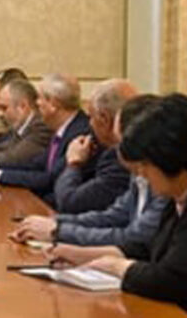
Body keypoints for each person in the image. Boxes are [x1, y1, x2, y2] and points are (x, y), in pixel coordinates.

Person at [47, 94, 187, 310]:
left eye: (145, 166)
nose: (141, 174)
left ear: (170, 158)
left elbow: (172, 279)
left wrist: (119, 267)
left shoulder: (170, 192)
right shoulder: (174, 197)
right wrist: (84, 255)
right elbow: (146, 247)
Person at [10, 95, 167, 247]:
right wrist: (55, 222)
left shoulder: (161, 179)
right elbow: (114, 215)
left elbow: (133, 238)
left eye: (120, 144)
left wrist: (58, 231)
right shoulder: (138, 171)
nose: (118, 152)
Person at [0, 73, 91, 207]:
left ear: (53, 104)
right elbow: (35, 164)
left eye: (39, 98)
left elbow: (50, 179)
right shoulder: (64, 127)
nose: (36, 103)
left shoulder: (80, 133)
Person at [49, 79, 136, 213]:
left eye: (91, 117)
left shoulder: (120, 158)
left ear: (104, 119)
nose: (89, 124)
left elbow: (69, 202)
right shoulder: (100, 147)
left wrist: (74, 164)